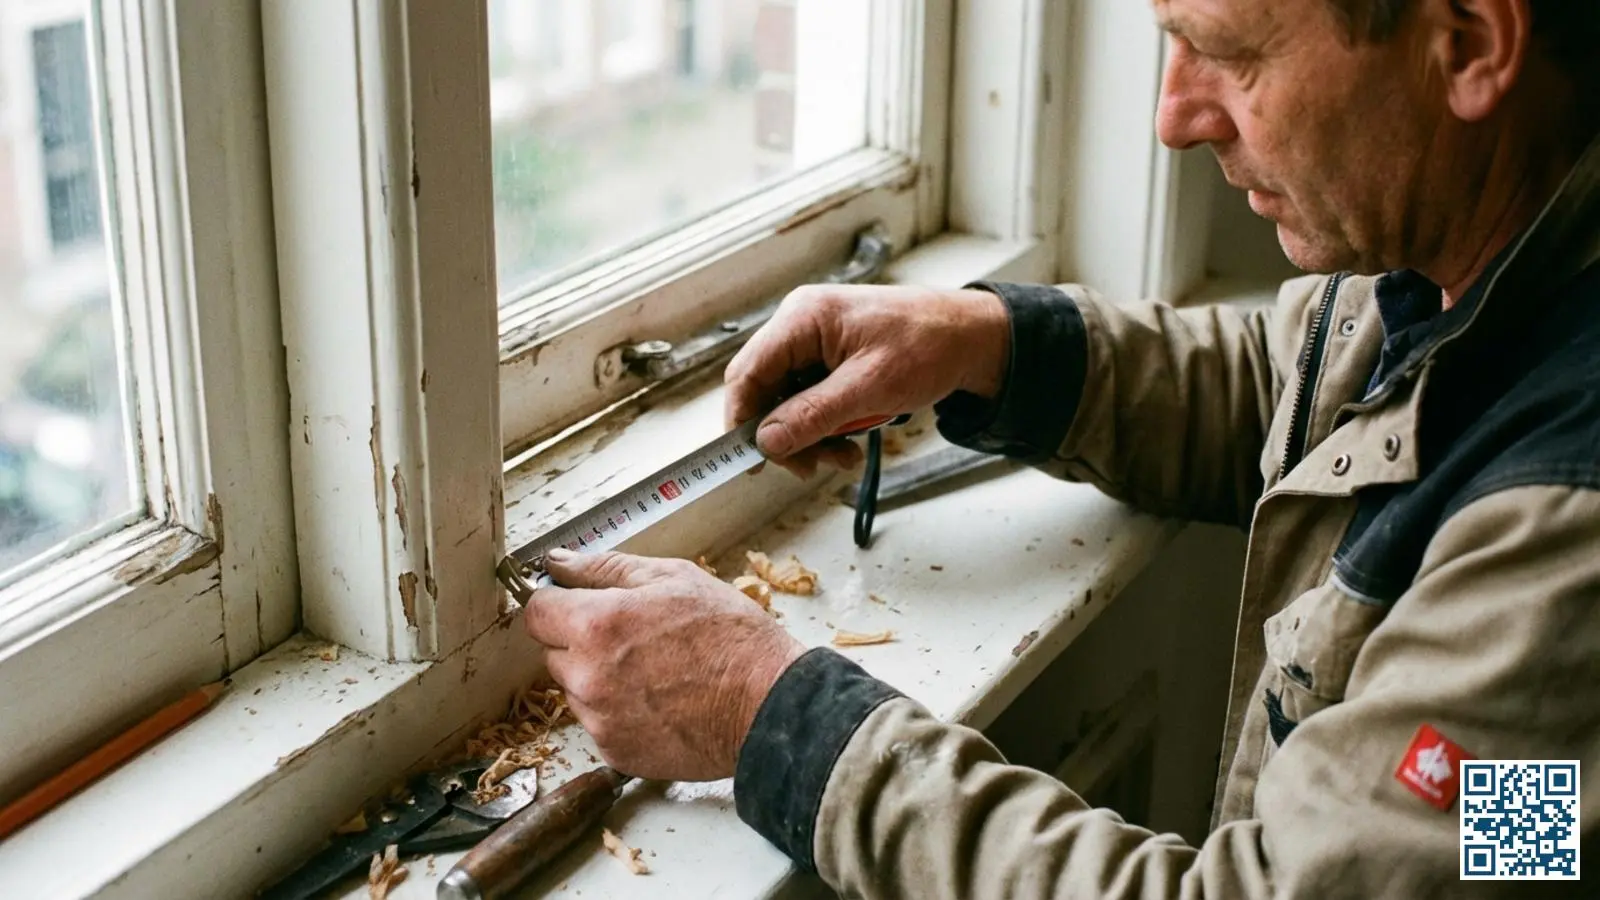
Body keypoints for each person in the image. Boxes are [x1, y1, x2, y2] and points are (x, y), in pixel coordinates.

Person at [521, 0, 1600, 895]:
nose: (1173, 118)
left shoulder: (1566, 554)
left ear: (1467, 43)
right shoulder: (1478, 249)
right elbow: (1317, 400)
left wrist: (779, 725)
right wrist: (992, 345)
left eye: (1226, 54)